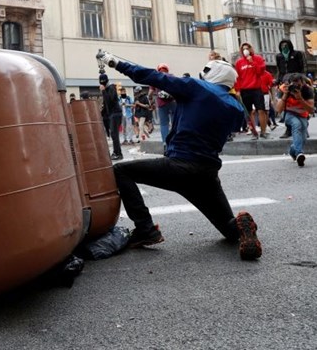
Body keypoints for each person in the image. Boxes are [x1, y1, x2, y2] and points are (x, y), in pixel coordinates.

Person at [95, 51, 262, 260]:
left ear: (213, 73)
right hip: (206, 173)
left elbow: (152, 76)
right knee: (229, 231)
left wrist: (117, 63)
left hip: (179, 166)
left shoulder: (196, 87)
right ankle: (242, 227)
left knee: (121, 171)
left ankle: (145, 228)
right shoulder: (235, 107)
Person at [275, 74, 314, 167]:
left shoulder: (307, 90)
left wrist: (300, 98)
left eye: (298, 85)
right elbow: (278, 110)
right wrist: (285, 95)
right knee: (297, 125)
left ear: (303, 83)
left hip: (303, 115)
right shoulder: (284, 89)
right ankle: (299, 153)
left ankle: (293, 151)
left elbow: (311, 110)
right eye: (294, 84)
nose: (296, 87)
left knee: (303, 139)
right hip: (289, 114)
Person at [234, 42, 268, 139]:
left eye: (247, 48)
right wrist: (238, 90)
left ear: (251, 49)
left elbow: (260, 72)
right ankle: (253, 132)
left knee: (261, 110)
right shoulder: (239, 62)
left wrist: (252, 62)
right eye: (243, 48)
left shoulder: (258, 59)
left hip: (257, 88)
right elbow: (237, 77)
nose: (246, 50)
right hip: (245, 90)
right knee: (249, 112)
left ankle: (263, 131)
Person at [275, 39, 306, 138]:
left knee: (300, 103)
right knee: (285, 105)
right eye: (282, 45)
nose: (284, 47)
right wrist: (278, 81)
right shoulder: (279, 56)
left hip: (297, 80)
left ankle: (303, 126)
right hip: (285, 82)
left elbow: (303, 67)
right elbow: (279, 70)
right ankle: (288, 129)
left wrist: (302, 79)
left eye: (286, 45)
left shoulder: (297, 54)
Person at [149, 63, 176, 148]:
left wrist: (151, 100)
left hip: (161, 104)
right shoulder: (172, 77)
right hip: (173, 102)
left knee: (164, 124)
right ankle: (175, 141)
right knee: (175, 123)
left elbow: (150, 93)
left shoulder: (155, 78)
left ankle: (165, 143)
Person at [99, 73, 123, 160]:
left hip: (116, 113)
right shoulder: (106, 89)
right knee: (113, 134)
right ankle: (117, 152)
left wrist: (103, 91)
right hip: (112, 114)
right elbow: (106, 105)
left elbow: (111, 100)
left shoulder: (112, 87)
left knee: (114, 134)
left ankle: (118, 153)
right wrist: (100, 114)